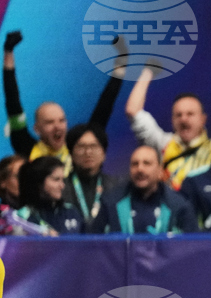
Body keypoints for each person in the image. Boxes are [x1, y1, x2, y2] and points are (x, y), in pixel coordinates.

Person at [3, 30, 125, 173]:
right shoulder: (26, 146)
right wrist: (8, 52)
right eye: (49, 122)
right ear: (36, 129)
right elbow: (13, 102)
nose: (58, 126)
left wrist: (122, 62)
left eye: (62, 120)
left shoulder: (78, 150)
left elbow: (105, 106)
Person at [125, 54, 211, 190]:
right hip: (171, 210)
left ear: (203, 119)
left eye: (190, 114)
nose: (184, 119)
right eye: (178, 115)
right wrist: (148, 72)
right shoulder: (162, 144)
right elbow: (133, 111)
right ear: (172, 121)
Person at [95, 145, 196, 235]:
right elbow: (92, 245)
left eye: (147, 163)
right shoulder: (110, 203)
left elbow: (193, 248)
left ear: (160, 171)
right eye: (135, 164)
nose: (140, 169)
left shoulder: (179, 205)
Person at [63, 125, 119, 234]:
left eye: (94, 146)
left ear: (104, 154)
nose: (88, 152)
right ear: (71, 154)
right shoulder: (61, 188)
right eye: (81, 147)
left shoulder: (117, 187)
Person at [16, 156, 82, 235]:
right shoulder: (22, 217)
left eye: (63, 180)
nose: (62, 185)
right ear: (39, 182)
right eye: (56, 179)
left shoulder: (71, 212)